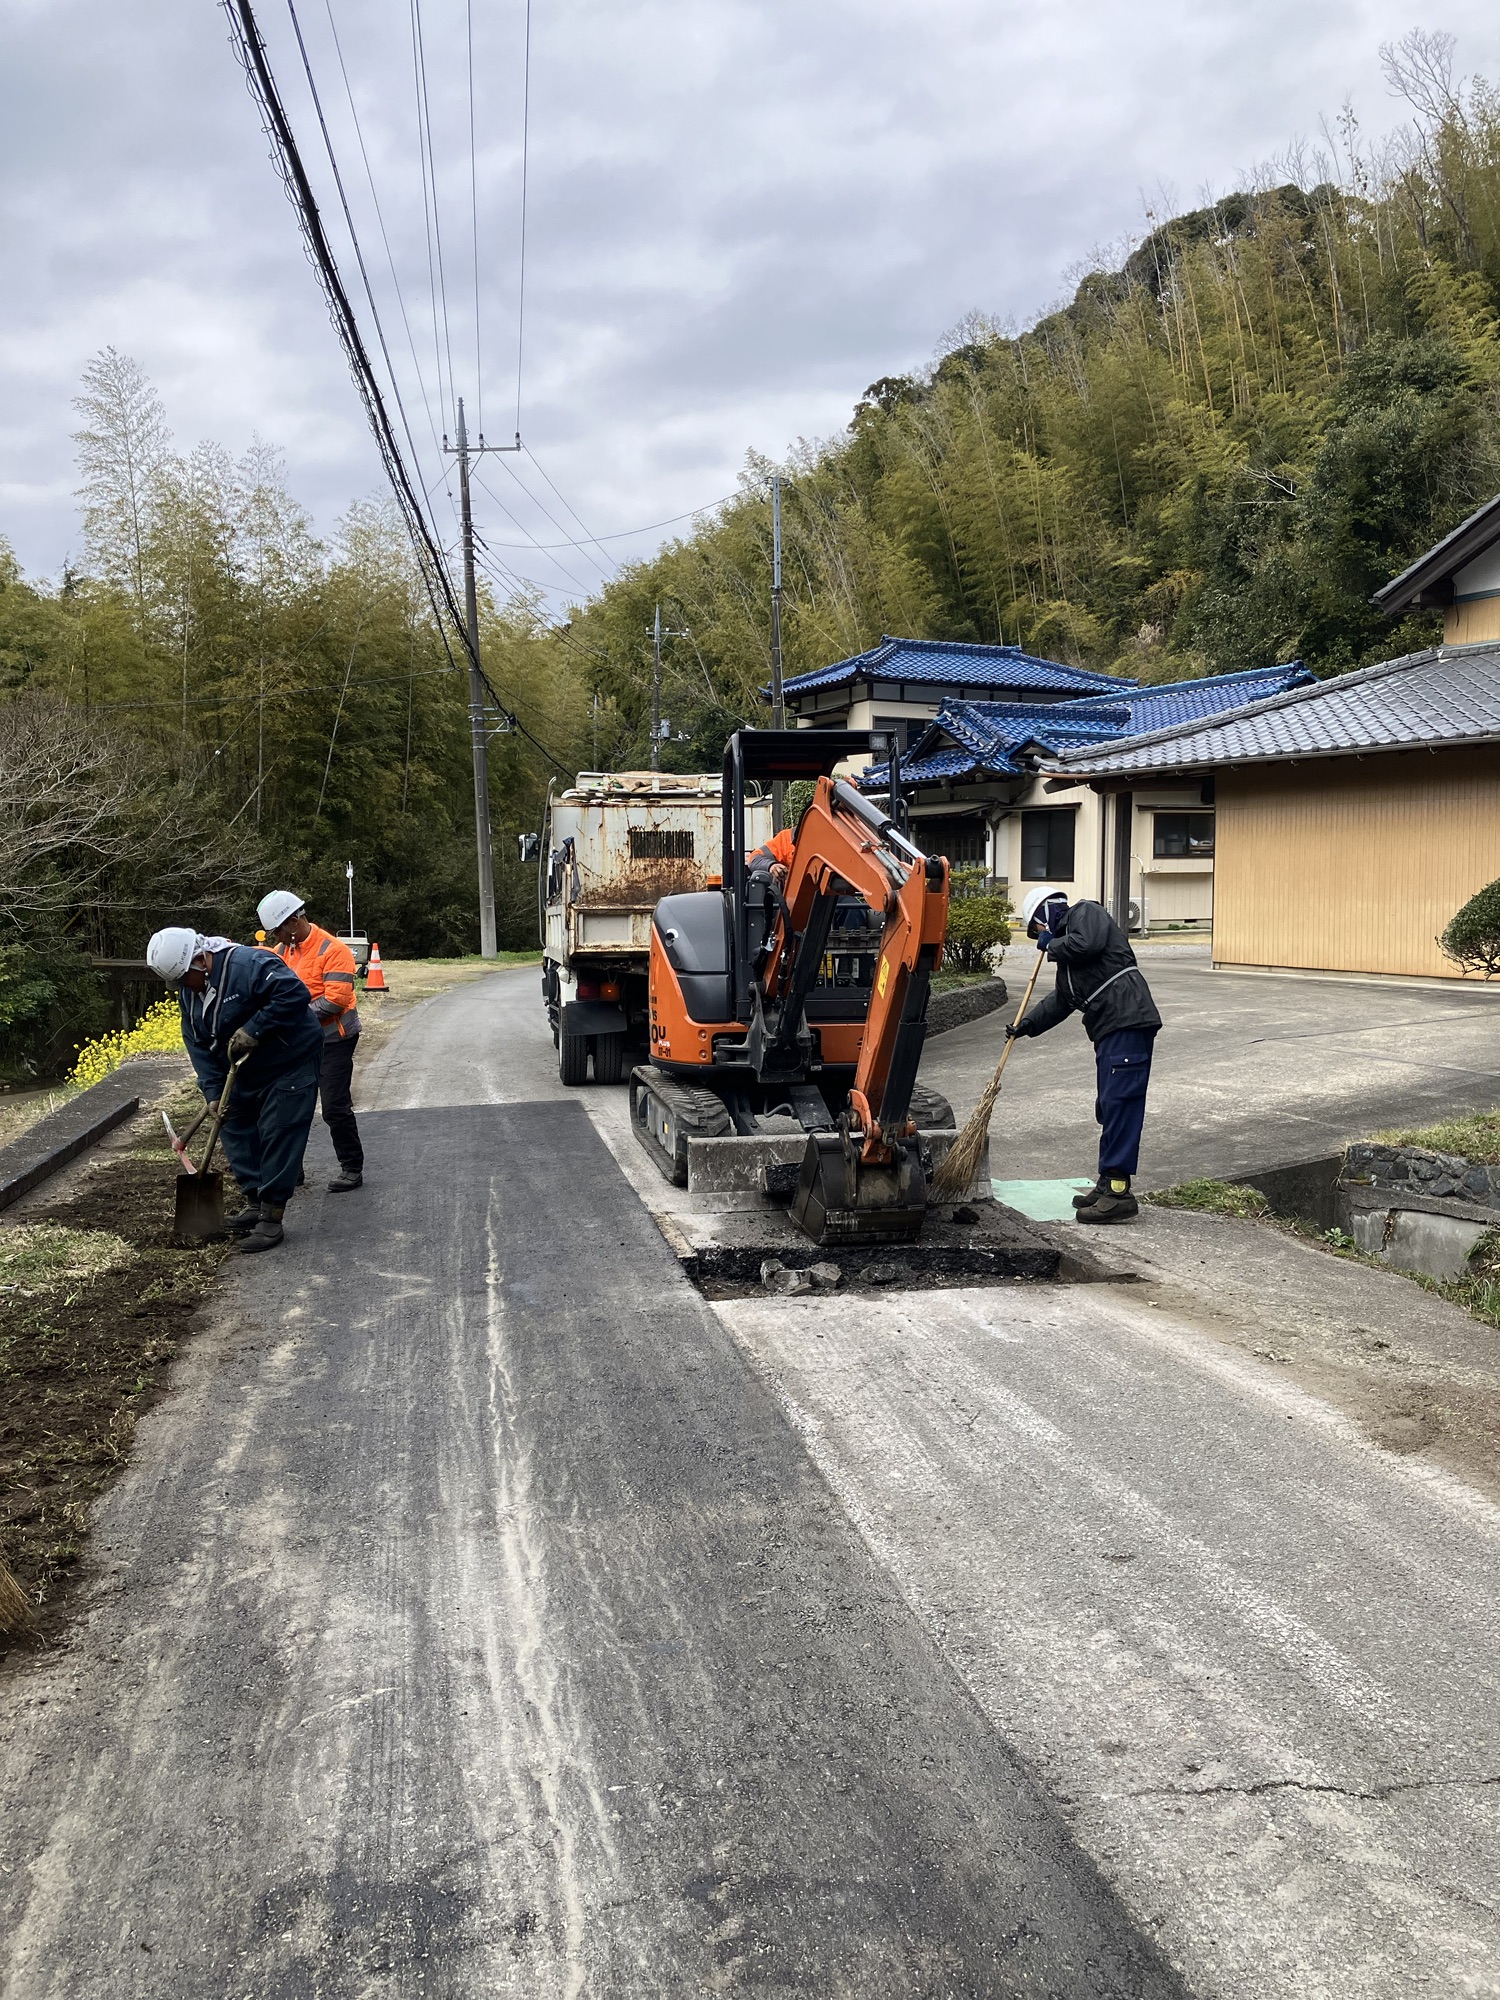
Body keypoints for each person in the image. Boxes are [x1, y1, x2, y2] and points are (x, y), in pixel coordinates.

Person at [146, 926, 324, 1252]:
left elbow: (294, 994)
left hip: (290, 1060)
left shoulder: (249, 965)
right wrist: (213, 1092)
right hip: (242, 1069)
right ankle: (255, 1200)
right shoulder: (190, 992)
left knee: (279, 1130)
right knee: (234, 1124)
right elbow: (197, 1044)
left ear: (200, 961)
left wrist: (255, 1028)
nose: (183, 986)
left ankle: (271, 1216)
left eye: (184, 978)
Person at [1006, 893, 1162, 1223]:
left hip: (1127, 1018)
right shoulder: (1070, 965)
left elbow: (1085, 944)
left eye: (1036, 928)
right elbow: (1061, 1001)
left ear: (1046, 914)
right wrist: (1028, 1025)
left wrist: (1050, 944)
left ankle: (1118, 1192)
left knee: (1120, 1103)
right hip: (1110, 1028)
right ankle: (1107, 1184)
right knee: (1108, 1105)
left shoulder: (1085, 913)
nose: (1038, 936)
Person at [256, 890, 364, 1193]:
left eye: (277, 930)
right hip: (298, 1041)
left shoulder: (334, 950)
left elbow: (335, 1001)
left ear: (293, 922)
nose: (276, 937)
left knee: (334, 1107)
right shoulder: (282, 950)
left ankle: (352, 1168)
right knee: (291, 1106)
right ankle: (292, 1170)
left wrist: (290, 1015)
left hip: (334, 1039)